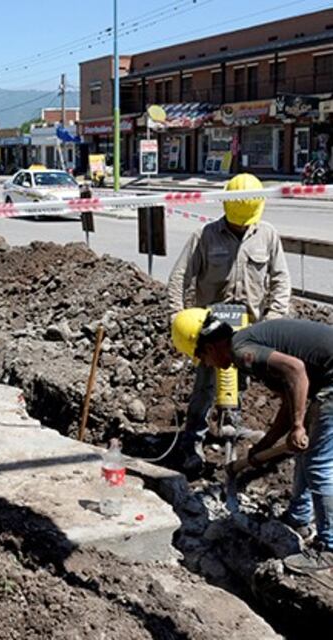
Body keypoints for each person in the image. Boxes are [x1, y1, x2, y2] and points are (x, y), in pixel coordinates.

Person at [171, 308, 333, 573]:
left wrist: (298, 425)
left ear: (211, 346)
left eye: (202, 357)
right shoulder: (248, 347)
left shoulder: (242, 350)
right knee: (308, 453)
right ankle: (298, 519)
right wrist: (266, 444)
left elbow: (297, 371)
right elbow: (290, 398)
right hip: (326, 378)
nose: (208, 365)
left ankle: (329, 548)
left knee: (318, 462)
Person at [167, 173, 291, 474]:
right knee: (206, 386)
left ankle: (230, 426)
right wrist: (177, 316)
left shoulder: (268, 235)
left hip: (249, 327)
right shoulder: (205, 236)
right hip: (212, 330)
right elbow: (179, 277)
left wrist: (273, 319)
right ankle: (192, 441)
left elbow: (281, 279)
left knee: (242, 381)